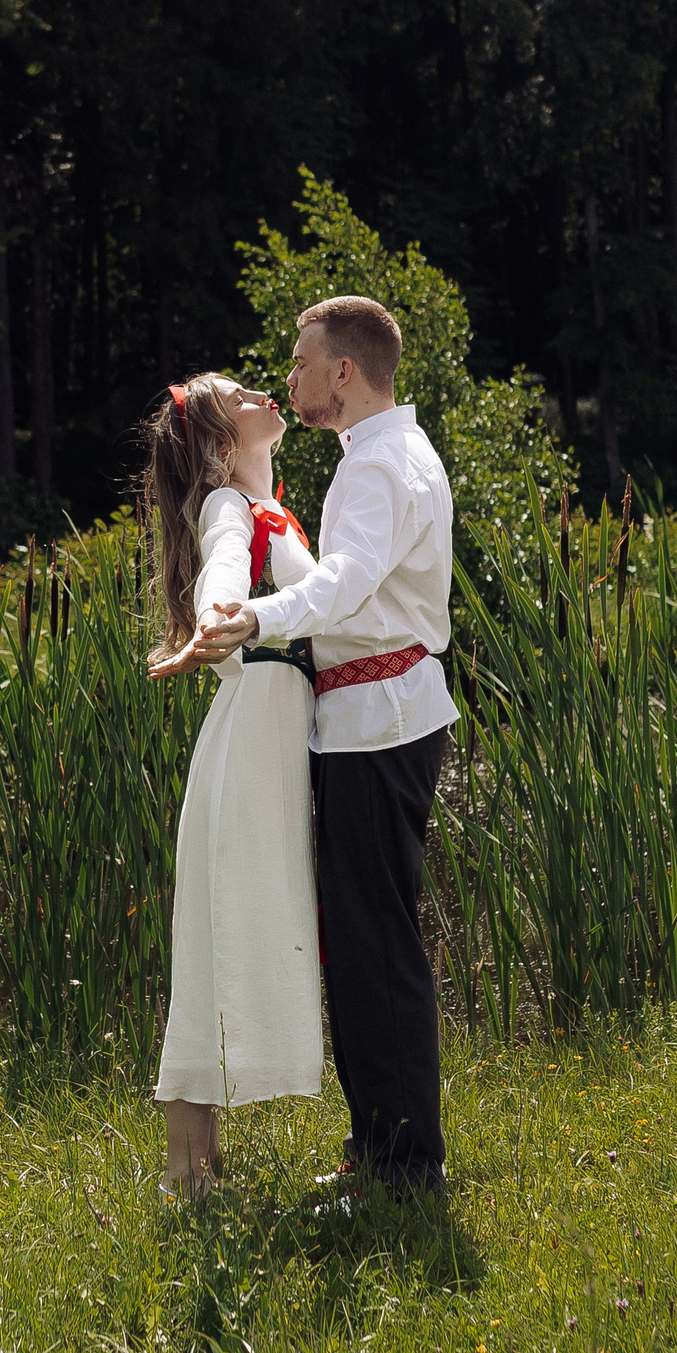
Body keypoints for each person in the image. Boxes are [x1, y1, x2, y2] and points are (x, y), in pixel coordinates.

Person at [154, 295, 457, 1195]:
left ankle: (401, 1166)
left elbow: (346, 587)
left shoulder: (378, 465)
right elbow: (233, 558)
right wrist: (227, 609)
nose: (285, 379)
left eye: (297, 363)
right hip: (365, 719)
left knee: (374, 945)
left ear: (344, 370)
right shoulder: (378, 457)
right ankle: (381, 1150)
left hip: (379, 721)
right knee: (359, 941)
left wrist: (249, 617)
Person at [143, 372, 323, 1196]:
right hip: (253, 745)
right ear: (221, 444)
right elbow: (222, 568)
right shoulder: (230, 508)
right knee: (221, 936)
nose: (264, 396)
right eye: (243, 397)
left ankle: (199, 1164)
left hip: (272, 741)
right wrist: (216, 619)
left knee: (230, 930)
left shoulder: (276, 511)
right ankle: (186, 1171)